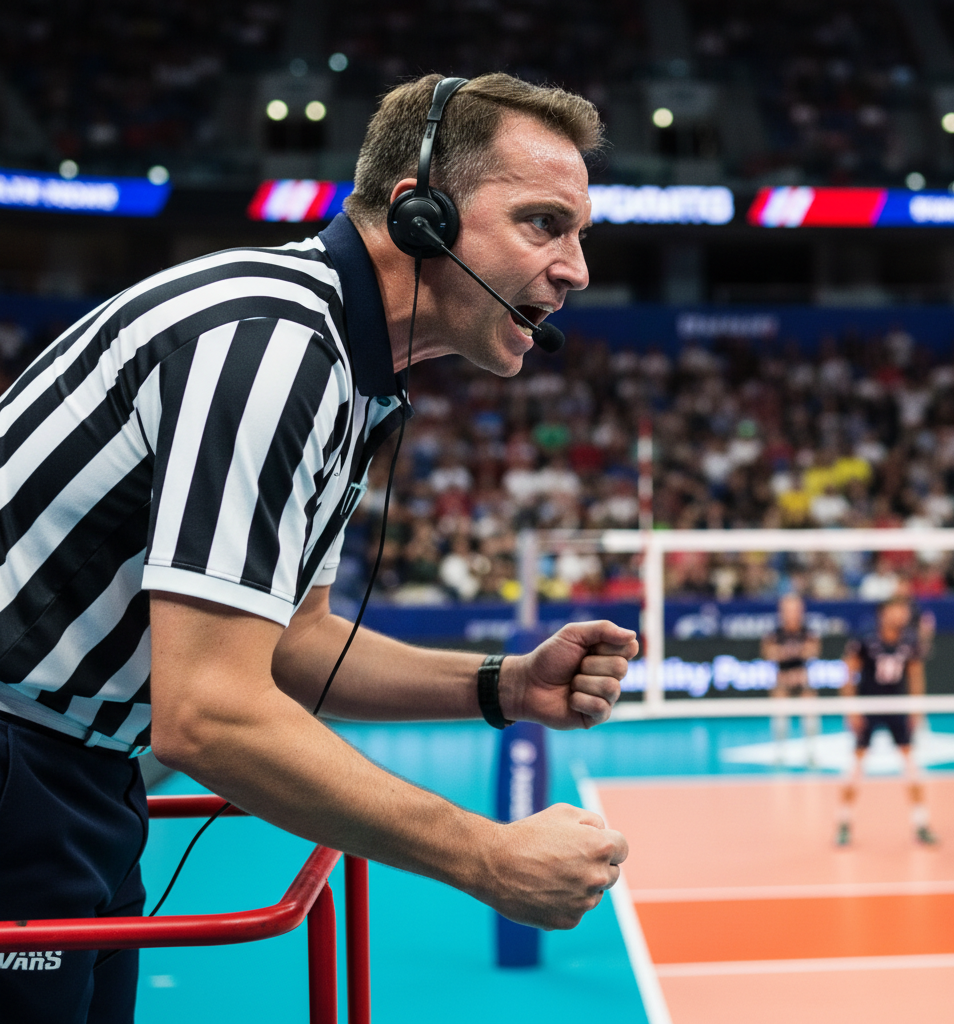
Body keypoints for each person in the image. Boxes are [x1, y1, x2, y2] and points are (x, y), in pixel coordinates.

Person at [0, 73, 638, 1023]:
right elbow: (210, 713)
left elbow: (290, 647)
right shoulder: (271, 346)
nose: (576, 268)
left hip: (75, 781)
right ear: (418, 214)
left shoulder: (346, 371)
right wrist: (486, 857)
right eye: (544, 224)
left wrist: (500, 686)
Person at [835, 597, 937, 847]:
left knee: (911, 765)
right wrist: (851, 710)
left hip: (897, 709)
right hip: (868, 708)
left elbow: (915, 673)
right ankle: (844, 823)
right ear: (883, 613)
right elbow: (847, 673)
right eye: (896, 610)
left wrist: (916, 708)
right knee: (855, 768)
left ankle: (921, 823)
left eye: (903, 609)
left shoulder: (909, 640)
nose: (901, 614)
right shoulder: (865, 640)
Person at [761, 593, 821, 765]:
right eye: (788, 610)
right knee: (779, 704)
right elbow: (769, 653)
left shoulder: (807, 631)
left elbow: (813, 650)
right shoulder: (775, 633)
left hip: (802, 679)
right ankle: (779, 752)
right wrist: (795, 653)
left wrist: (784, 653)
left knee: (810, 704)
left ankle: (811, 752)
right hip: (783, 679)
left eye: (795, 609)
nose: (792, 613)